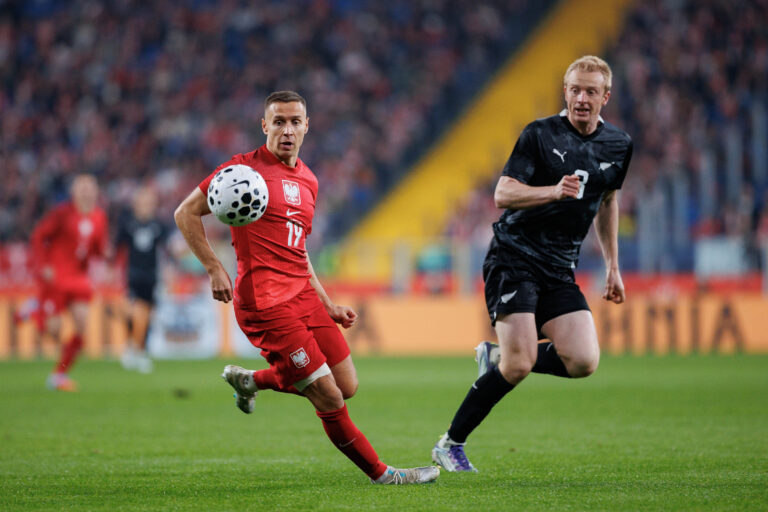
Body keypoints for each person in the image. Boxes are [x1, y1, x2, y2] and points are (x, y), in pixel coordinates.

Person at [174, 90, 439, 485]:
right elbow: (186, 213)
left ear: (307, 126)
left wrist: (327, 302)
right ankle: (384, 475)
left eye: (295, 121)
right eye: (278, 121)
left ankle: (251, 380)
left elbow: (299, 251)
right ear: (264, 125)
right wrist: (214, 267)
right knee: (329, 398)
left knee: (347, 385)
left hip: (303, 296)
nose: (287, 130)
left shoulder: (309, 180)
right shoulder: (242, 171)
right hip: (266, 304)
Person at [431, 56, 633, 472]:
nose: (581, 98)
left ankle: (497, 356)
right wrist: (552, 191)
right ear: (566, 91)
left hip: (560, 267)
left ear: (605, 97)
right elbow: (503, 193)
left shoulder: (619, 145)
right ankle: (450, 443)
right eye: (575, 89)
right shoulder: (539, 134)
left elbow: (608, 200)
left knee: (583, 361)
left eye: (591, 91)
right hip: (514, 255)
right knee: (519, 365)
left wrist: (613, 265)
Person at [29, 174, 109, 391]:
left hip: (78, 279)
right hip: (56, 278)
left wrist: (105, 258)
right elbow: (39, 236)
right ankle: (34, 310)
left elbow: (97, 249)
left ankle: (59, 374)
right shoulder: (62, 214)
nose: (85, 191)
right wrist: (43, 264)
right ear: (73, 192)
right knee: (53, 331)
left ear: (95, 191)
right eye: (81, 187)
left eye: (89, 187)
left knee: (82, 326)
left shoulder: (99, 217)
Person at [116, 186, 169, 373]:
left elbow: (167, 249)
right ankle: (137, 352)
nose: (145, 206)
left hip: (152, 277)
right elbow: (117, 248)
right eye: (142, 202)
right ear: (136, 204)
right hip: (133, 275)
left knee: (147, 317)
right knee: (137, 313)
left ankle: (134, 349)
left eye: (149, 203)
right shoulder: (128, 224)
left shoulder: (158, 225)